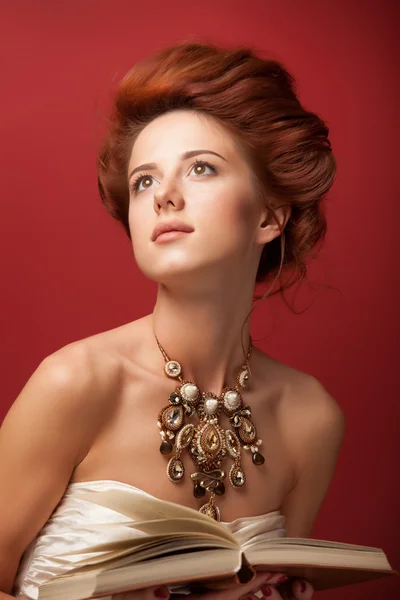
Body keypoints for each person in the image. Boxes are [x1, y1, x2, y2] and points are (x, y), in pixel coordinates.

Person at [0, 40, 347, 600]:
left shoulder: (312, 420)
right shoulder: (77, 384)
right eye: (144, 181)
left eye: (201, 168)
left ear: (268, 215)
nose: (164, 196)